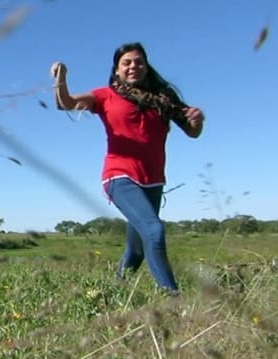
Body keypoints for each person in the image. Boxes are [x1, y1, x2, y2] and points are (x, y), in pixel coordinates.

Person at [50, 42, 204, 294]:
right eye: (127, 63)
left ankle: (114, 292)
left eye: (139, 62)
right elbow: (64, 103)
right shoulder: (105, 95)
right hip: (119, 177)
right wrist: (61, 78)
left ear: (146, 66)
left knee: (137, 250)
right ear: (117, 70)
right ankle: (173, 298)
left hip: (153, 181)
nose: (134, 66)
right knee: (154, 230)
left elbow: (193, 132)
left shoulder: (163, 98)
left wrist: (198, 120)